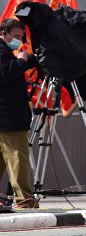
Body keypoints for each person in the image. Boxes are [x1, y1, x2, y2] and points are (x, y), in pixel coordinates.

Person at [0, 17, 39, 210]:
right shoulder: (1, 51)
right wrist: (23, 63)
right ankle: (25, 200)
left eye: (21, 37)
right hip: (10, 117)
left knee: (3, 158)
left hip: (6, 117)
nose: (18, 41)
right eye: (15, 36)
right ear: (3, 34)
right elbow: (5, 74)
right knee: (18, 158)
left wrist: (31, 60)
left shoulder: (5, 51)